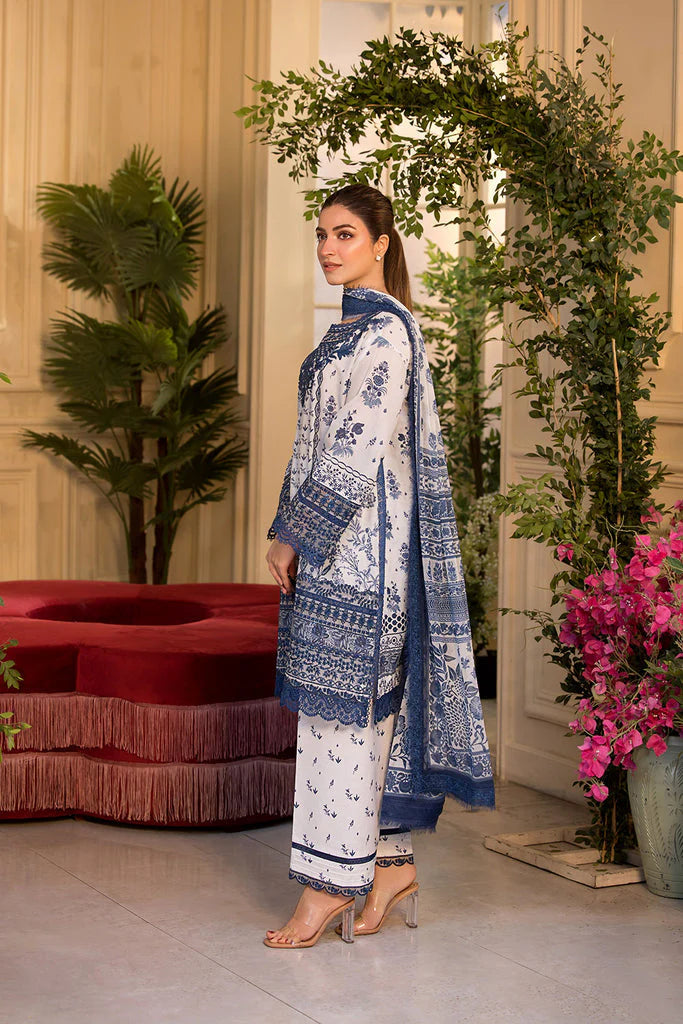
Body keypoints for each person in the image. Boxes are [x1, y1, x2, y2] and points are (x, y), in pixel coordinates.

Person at [263, 183, 494, 949]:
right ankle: (391, 870)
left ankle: (328, 887)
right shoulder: (346, 332)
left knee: (344, 718)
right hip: (333, 550)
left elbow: (355, 448)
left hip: (366, 559)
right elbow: (310, 441)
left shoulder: (388, 333)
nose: (328, 248)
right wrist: (289, 528)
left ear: (380, 244)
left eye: (345, 234)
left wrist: (296, 536)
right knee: (351, 716)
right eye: (322, 234)